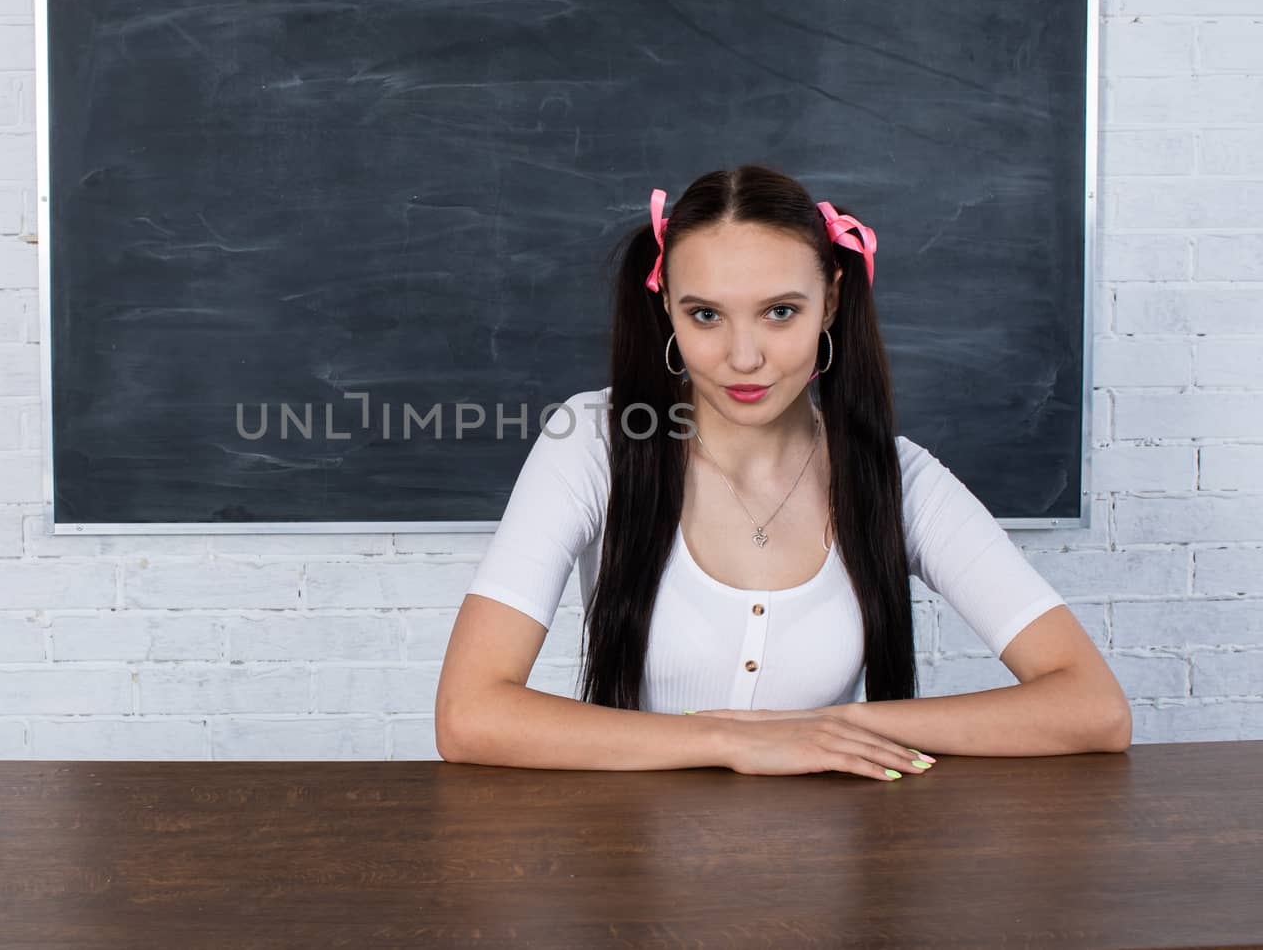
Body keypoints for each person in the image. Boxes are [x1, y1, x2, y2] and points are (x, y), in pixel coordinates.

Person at [435, 164, 1131, 781]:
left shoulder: (898, 477)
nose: (744, 357)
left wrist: (840, 729)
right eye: (705, 314)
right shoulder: (592, 441)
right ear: (667, 309)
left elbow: (1092, 706)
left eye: (780, 312)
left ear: (830, 300)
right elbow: (469, 714)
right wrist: (729, 740)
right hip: (629, 876)